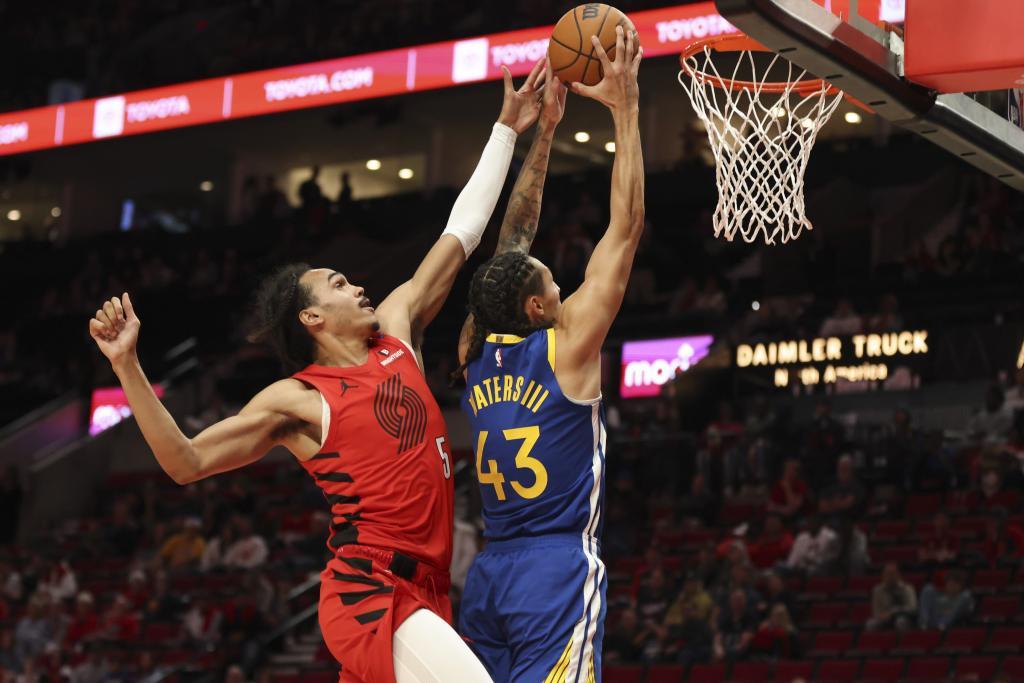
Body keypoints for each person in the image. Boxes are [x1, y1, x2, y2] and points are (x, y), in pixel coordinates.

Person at [87, 59, 554, 683]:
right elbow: (186, 462)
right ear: (311, 317)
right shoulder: (301, 399)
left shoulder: (397, 334)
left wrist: (506, 129)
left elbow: (461, 234)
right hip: (370, 592)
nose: (356, 284)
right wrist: (128, 366)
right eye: (337, 283)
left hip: (431, 591)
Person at [456, 30, 642, 682]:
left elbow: (513, 239)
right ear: (537, 309)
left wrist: (546, 132)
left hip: (489, 573)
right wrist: (626, 107)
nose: (562, 285)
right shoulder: (568, 348)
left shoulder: (472, 349)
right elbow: (625, 228)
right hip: (552, 570)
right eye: (552, 283)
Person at [866, 563, 917, 631]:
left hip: (904, 617)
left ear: (898, 575)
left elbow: (912, 608)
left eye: (892, 574)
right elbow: (876, 611)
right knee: (870, 623)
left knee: (900, 621)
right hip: (885, 619)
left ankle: (904, 641)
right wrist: (881, 616)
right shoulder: (877, 591)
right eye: (887, 574)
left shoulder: (907, 589)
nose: (890, 577)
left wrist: (893, 613)